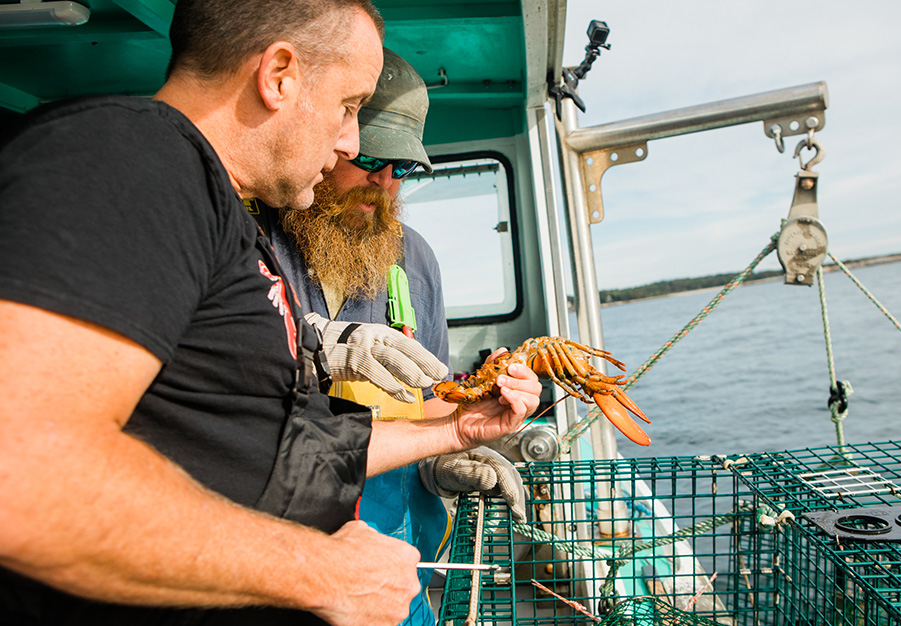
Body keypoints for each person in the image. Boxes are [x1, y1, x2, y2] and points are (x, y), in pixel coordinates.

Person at [0, 1, 541, 625]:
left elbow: (255, 443)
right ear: (279, 74)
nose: (350, 140)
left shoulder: (220, 211)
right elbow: (26, 469)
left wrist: (449, 433)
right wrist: (322, 571)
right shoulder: (129, 162)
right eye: (347, 107)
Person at [253, 48, 526, 626]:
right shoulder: (254, 239)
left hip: (398, 555)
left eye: (400, 169)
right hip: (284, 554)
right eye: (371, 159)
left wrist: (444, 456)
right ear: (332, 139)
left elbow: (430, 398)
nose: (381, 184)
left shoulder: (413, 258)